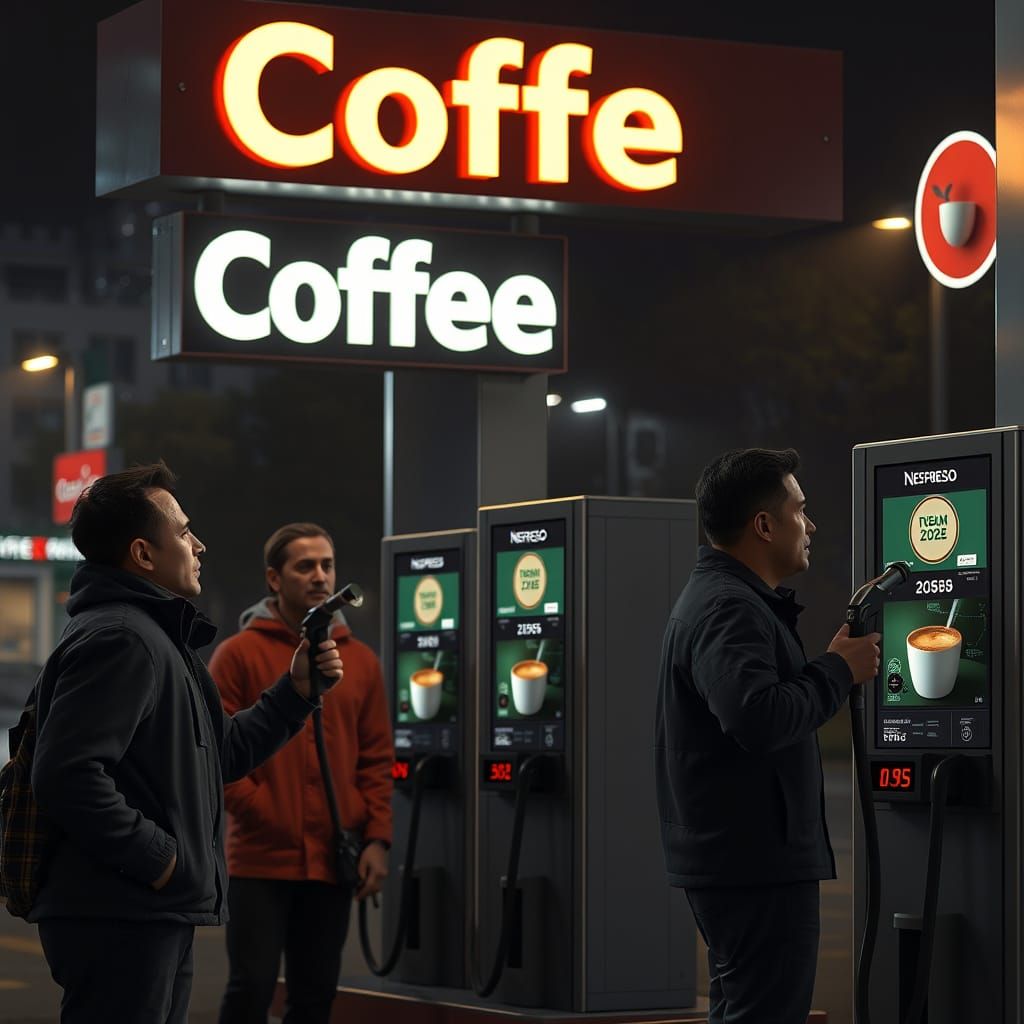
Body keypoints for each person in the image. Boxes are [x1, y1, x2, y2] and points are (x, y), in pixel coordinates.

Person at [29, 462, 343, 1024]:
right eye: (182, 532)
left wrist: (294, 693)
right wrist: (162, 860)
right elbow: (66, 775)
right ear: (143, 554)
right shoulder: (123, 638)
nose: (197, 545)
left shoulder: (156, 636)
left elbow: (219, 754)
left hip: (145, 909)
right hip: (120, 913)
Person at [653, 448, 880, 1024]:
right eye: (800, 511)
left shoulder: (725, 601)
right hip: (754, 864)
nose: (810, 526)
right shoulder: (731, 608)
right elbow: (757, 717)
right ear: (763, 525)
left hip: (739, 859)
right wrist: (837, 670)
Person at [210, 522, 393, 1024]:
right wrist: (262, 810)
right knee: (251, 989)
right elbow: (215, 752)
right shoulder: (237, 655)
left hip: (335, 857)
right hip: (260, 860)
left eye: (327, 565)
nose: (320, 576)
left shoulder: (360, 662)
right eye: (304, 566)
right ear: (274, 578)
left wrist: (377, 838)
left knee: (315, 997)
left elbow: (376, 757)